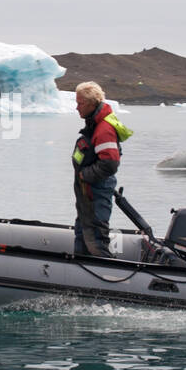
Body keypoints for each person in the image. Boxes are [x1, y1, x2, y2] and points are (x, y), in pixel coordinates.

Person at [71, 81, 132, 257]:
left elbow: (110, 163)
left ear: (91, 103)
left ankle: (105, 274)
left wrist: (85, 175)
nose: (77, 108)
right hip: (87, 193)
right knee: (83, 233)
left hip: (95, 191)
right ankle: (81, 270)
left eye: (80, 103)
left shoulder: (104, 129)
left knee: (96, 238)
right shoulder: (94, 124)